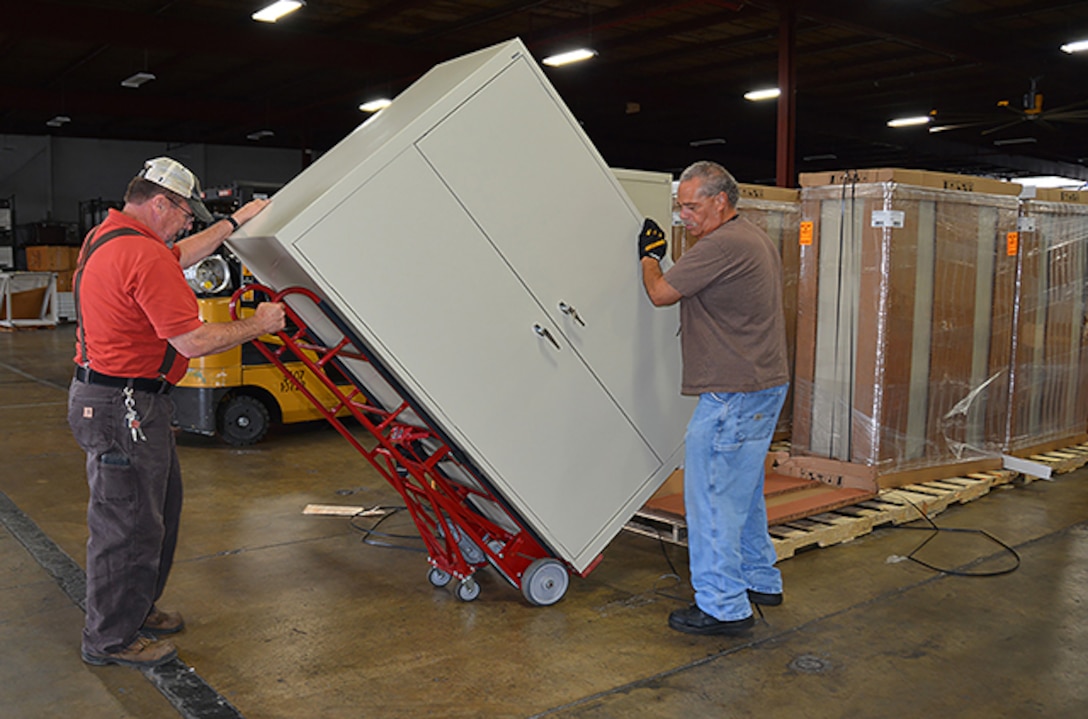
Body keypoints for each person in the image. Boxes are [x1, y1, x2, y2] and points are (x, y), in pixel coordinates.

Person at [68, 157, 286, 667]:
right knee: (130, 525)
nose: (189, 222)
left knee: (157, 510)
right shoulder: (144, 257)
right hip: (126, 407)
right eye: (186, 212)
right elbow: (192, 339)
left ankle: (135, 607)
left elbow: (179, 252)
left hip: (119, 401)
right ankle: (111, 638)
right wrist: (260, 323)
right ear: (161, 203)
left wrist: (233, 223)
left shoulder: (112, 236)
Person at [638, 160, 789, 636]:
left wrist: (649, 256)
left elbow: (661, 293)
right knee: (741, 494)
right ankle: (759, 578)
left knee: (711, 500)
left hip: (732, 396)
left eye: (690, 206)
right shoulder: (752, 236)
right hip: (762, 385)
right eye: (679, 206)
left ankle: (723, 606)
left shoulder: (721, 245)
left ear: (720, 201)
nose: (683, 215)